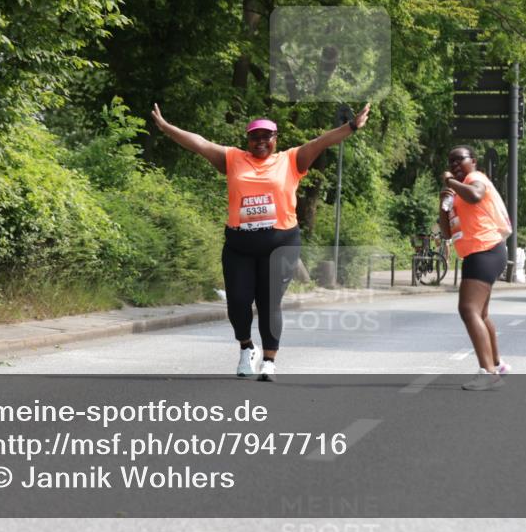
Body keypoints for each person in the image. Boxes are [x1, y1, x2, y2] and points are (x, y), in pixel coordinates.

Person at [151, 102, 371, 381]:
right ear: (248, 140)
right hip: (240, 245)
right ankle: (247, 348)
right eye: (255, 137)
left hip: (280, 244)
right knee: (238, 302)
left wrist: (351, 127)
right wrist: (167, 128)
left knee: (268, 303)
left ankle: (269, 360)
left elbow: (321, 141)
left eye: (266, 136)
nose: (260, 141)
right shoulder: (232, 158)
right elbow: (200, 144)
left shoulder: (291, 160)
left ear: (275, 139)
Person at [437, 145, 512, 391]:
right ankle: (497, 364)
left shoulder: (475, 178)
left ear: (473, 161)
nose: (455, 165)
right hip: (479, 252)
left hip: (484, 249)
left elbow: (476, 195)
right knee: (481, 313)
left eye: (460, 159)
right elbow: (447, 232)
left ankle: (488, 372)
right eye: (451, 161)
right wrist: (443, 203)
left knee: (468, 309)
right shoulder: (456, 192)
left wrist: (451, 181)